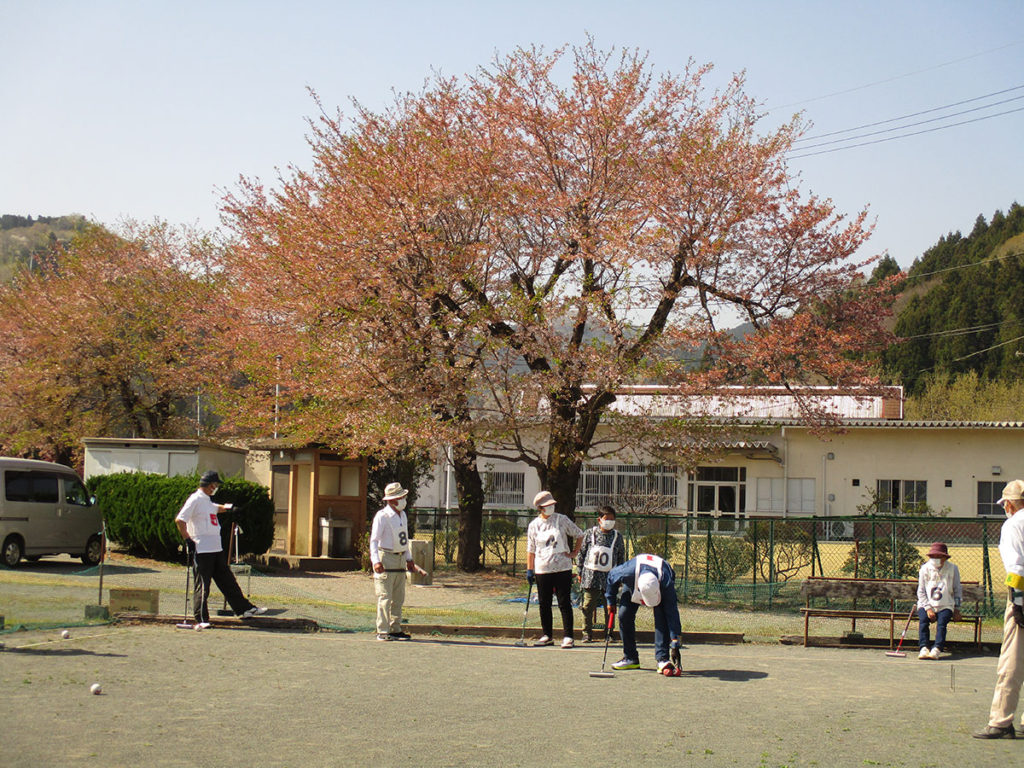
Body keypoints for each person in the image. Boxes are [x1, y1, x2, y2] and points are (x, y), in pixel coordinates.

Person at [175, 470, 265, 629]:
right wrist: (188, 539)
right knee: (203, 585)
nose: (216, 488)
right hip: (202, 549)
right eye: (215, 485)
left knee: (228, 581)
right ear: (210, 485)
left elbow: (216, 508)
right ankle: (201, 618)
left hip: (215, 548)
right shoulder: (195, 499)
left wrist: (231, 509)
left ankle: (244, 609)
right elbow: (180, 520)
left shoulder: (207, 500)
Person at [974, 478, 1024, 739]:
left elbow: (1016, 567)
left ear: (1010, 504)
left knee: (1012, 660)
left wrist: (1018, 603)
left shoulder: (1014, 524)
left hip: (1022, 595)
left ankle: (1001, 721)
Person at [605, 553, 682, 675]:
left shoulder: (666, 581)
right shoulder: (627, 572)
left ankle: (662, 659)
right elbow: (611, 576)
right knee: (624, 615)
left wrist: (675, 642)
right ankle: (630, 658)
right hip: (634, 581)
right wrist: (610, 600)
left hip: (659, 583)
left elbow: (672, 612)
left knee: (662, 619)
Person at [525, 490, 583, 648]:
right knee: (545, 603)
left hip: (562, 567)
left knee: (564, 602)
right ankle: (547, 635)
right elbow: (530, 549)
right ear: (540, 508)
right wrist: (530, 569)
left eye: (552, 505)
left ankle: (568, 636)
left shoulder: (562, 520)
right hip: (542, 569)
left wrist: (574, 553)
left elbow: (579, 534)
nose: (551, 508)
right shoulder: (534, 526)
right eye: (547, 506)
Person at [369, 482, 424, 641]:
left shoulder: (402, 515)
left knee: (398, 597)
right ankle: (382, 630)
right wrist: (376, 561)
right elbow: (374, 540)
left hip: (400, 557)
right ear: (392, 500)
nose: (403, 500)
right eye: (401, 497)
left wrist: (409, 559)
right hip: (386, 557)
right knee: (385, 596)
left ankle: (395, 627)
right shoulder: (382, 516)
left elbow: (404, 540)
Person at [576, 505, 626, 642]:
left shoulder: (617, 537)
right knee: (587, 606)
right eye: (606, 519)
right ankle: (587, 632)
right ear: (599, 520)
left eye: (612, 519)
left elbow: (621, 557)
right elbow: (581, 553)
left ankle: (609, 633)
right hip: (591, 577)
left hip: (610, 578)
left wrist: (621, 575)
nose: (609, 522)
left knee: (609, 606)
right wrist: (579, 571)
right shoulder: (589, 534)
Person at [916, 542, 962, 660]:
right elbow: (921, 592)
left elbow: (957, 589)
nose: (936, 559)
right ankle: (924, 647)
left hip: (946, 604)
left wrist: (957, 608)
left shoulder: (953, 569)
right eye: (933, 557)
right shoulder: (924, 569)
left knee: (942, 623)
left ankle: (937, 648)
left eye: (939, 557)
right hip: (926, 604)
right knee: (923, 621)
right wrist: (928, 608)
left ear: (945, 557)